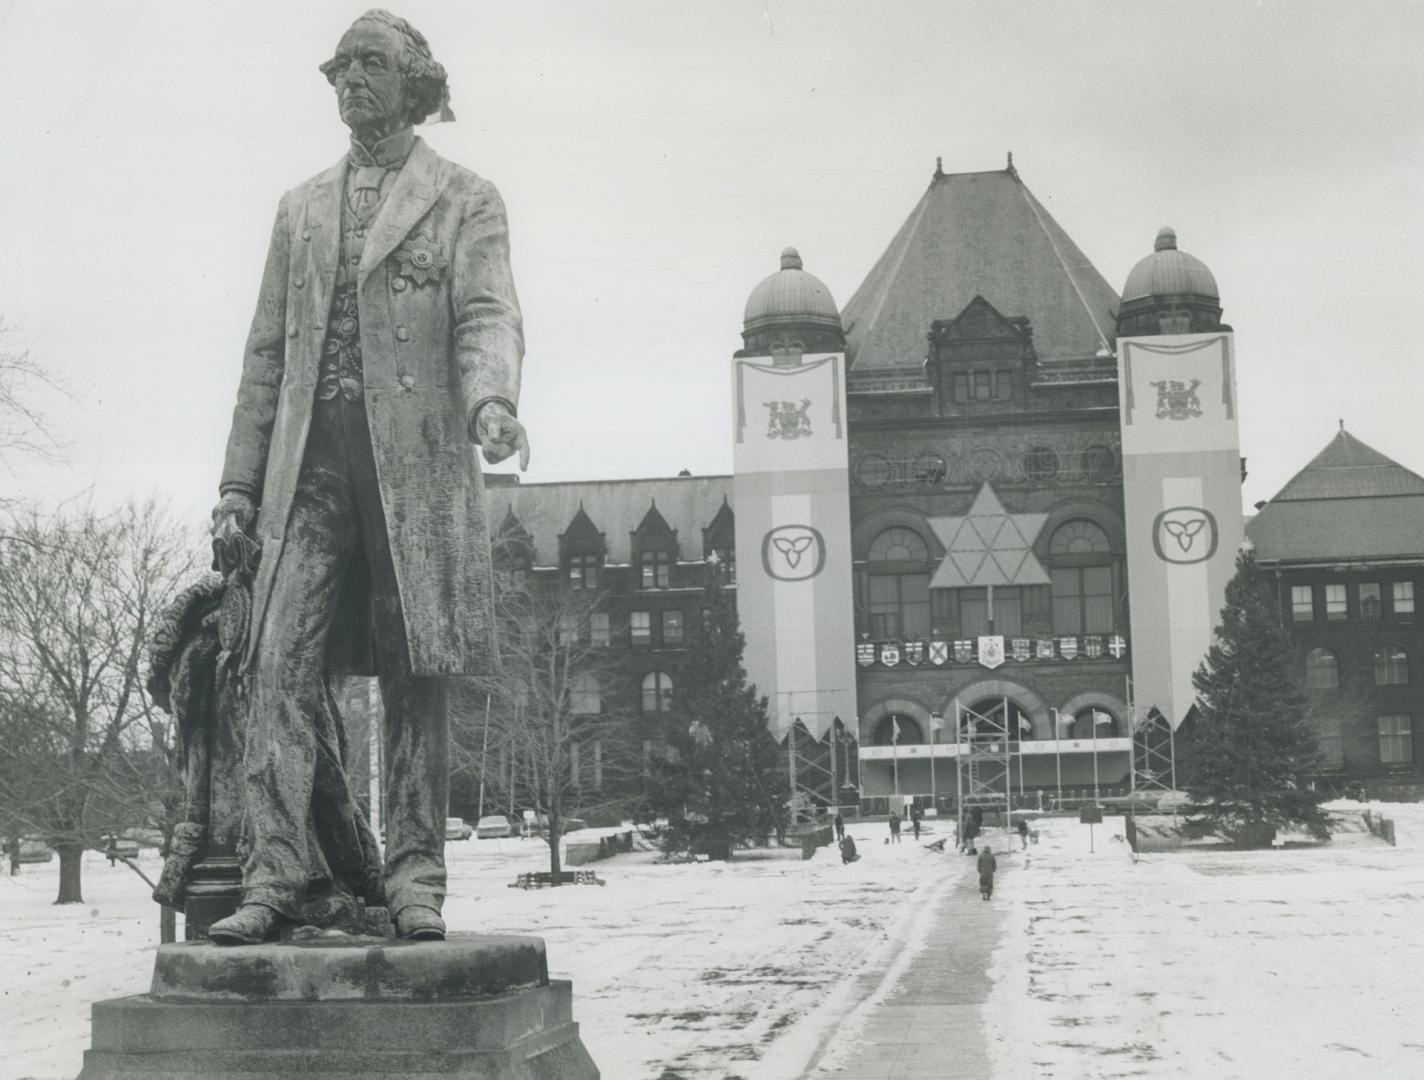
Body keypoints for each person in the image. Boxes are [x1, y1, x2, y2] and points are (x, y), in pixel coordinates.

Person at [208, 10, 527, 946]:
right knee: (273, 666)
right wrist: (235, 486)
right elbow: (264, 355)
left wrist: (491, 405)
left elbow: (485, 315)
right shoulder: (298, 207)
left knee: (412, 674)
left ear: (417, 82)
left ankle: (416, 879)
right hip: (307, 473)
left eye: (372, 64)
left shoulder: (466, 196)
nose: (351, 79)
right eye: (340, 66)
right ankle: (275, 877)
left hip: (414, 471)